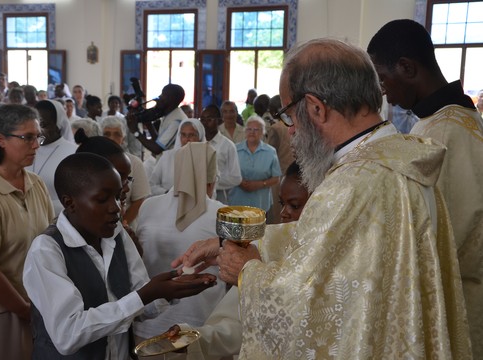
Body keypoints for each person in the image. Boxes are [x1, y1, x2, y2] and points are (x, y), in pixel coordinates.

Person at [176, 39, 472, 359]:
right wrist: (237, 246)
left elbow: (317, 311)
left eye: (290, 116)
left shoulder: (356, 184)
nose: (290, 132)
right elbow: (331, 246)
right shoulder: (395, 165)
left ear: (317, 108)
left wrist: (249, 274)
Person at [22, 152, 217, 358]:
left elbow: (137, 306)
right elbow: (68, 334)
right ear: (70, 203)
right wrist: (146, 294)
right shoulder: (47, 250)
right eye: (102, 199)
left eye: (118, 196)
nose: (116, 208)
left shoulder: (117, 235)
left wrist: (168, 291)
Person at [368, 19, 483, 358]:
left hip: (459, 298)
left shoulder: (444, 133)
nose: (384, 90)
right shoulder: (460, 119)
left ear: (407, 67)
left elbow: (439, 232)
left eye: (384, 78)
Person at [170, 161, 311, 360]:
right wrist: (191, 339)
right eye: (281, 203)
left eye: (294, 205)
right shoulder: (267, 252)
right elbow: (236, 325)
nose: (283, 213)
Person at [0, 104, 55, 360]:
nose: (36, 144)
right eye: (27, 137)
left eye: (38, 136)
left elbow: (48, 242)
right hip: (2, 311)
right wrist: (24, 310)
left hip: (38, 303)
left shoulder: (35, 184)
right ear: (1, 140)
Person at [135, 142, 227, 343]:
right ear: (211, 179)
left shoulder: (148, 206)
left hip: (148, 322)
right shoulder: (222, 213)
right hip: (201, 326)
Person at [26, 100, 77, 215]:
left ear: (58, 125)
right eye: (36, 125)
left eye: (43, 125)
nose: (38, 131)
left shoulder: (73, 152)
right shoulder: (25, 148)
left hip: (57, 219)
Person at [101, 116, 150, 228]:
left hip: (126, 225)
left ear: (123, 138)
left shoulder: (134, 163)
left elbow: (139, 200)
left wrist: (121, 225)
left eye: (117, 134)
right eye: (107, 134)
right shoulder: (94, 161)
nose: (111, 138)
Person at [229, 115, 281, 213]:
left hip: (260, 203)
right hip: (237, 202)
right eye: (249, 129)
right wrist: (240, 182)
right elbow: (228, 172)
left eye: (256, 129)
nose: (252, 132)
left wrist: (260, 184)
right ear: (245, 131)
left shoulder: (270, 152)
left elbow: (276, 178)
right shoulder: (235, 149)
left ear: (262, 132)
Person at [127, 83, 188, 155]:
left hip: (172, 164)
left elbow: (157, 149)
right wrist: (148, 123)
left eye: (163, 94)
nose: (160, 97)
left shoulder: (177, 121)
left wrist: (135, 131)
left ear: (172, 99)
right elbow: (158, 141)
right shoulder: (169, 115)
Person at [150, 118, 205, 196]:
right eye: (183, 135)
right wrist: (168, 193)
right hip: (168, 203)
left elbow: (211, 191)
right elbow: (152, 185)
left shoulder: (206, 158)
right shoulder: (167, 157)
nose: (187, 139)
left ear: (200, 137)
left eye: (191, 135)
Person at [200, 104, 242, 204]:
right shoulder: (197, 143)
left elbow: (236, 178)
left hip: (219, 197)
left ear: (219, 121)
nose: (205, 123)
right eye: (202, 119)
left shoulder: (227, 145)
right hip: (198, 196)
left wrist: (210, 182)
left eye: (209, 119)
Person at [267, 95, 295, 223]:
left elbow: (269, 151)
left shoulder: (275, 128)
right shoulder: (293, 124)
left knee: (279, 211)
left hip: (279, 173)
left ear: (273, 111)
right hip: (294, 170)